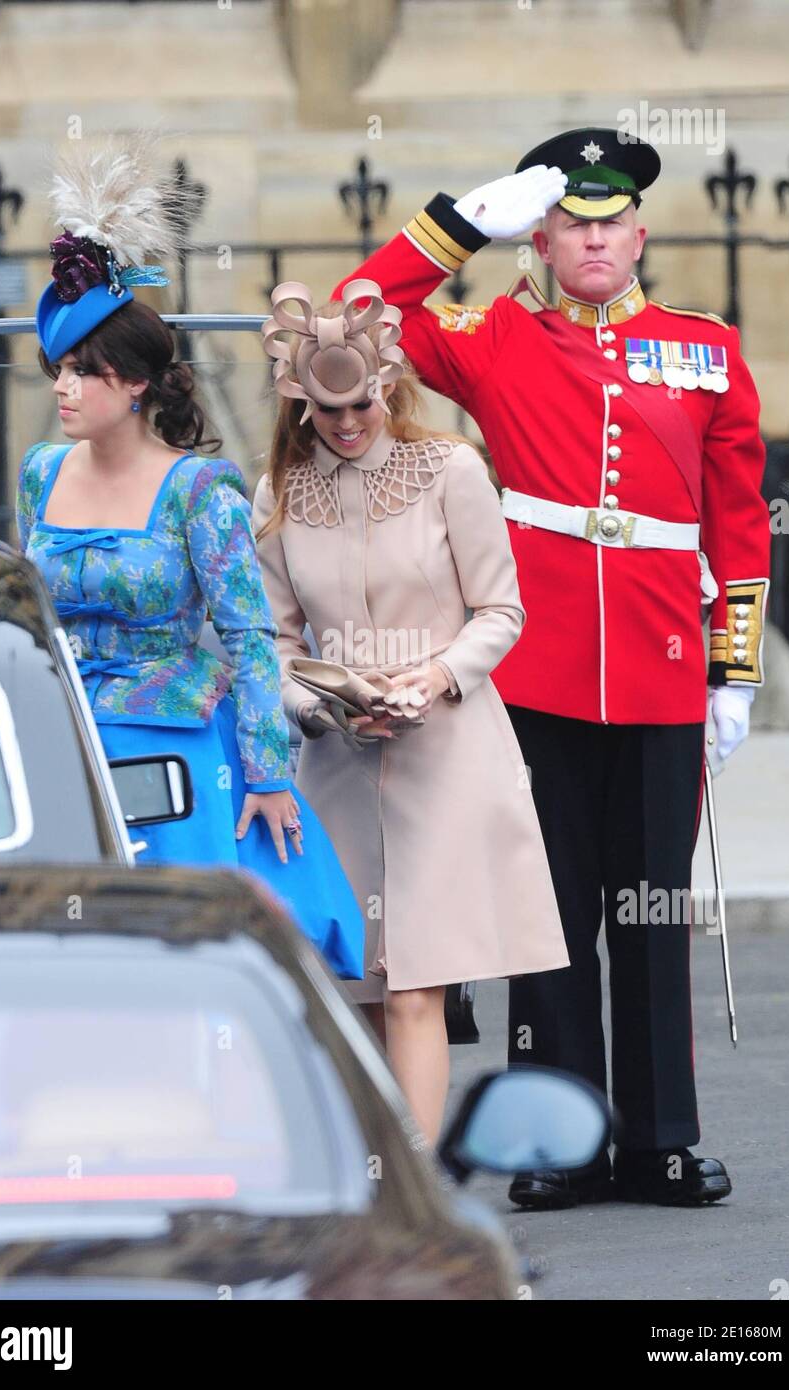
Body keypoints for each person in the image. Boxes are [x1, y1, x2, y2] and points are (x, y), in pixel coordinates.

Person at [331, 128, 770, 1204]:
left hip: (666, 663)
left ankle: (660, 1139)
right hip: (532, 671)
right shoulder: (494, 340)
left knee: (652, 910)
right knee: (545, 910)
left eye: (608, 220)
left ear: (637, 233)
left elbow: (739, 518)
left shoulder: (702, 348)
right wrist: (451, 227)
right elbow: (352, 317)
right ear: (539, 234)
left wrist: (734, 671)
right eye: (570, 220)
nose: (592, 239)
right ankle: (556, 1139)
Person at [16, 137, 363, 980]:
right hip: (63, 742)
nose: (62, 388)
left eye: (81, 371)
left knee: (182, 959)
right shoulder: (40, 471)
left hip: (170, 748)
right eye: (56, 369)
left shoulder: (198, 491)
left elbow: (249, 641)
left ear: (134, 383)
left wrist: (268, 774)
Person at [251, 278, 567, 1144]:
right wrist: (318, 705)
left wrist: (434, 678)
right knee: (354, 981)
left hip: (448, 749)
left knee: (419, 979)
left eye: (362, 403)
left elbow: (500, 612)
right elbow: (270, 644)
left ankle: (417, 1190)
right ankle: (368, 1174)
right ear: (300, 404)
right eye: (328, 411)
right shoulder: (275, 495)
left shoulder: (451, 469)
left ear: (388, 384)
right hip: (336, 763)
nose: (348, 423)